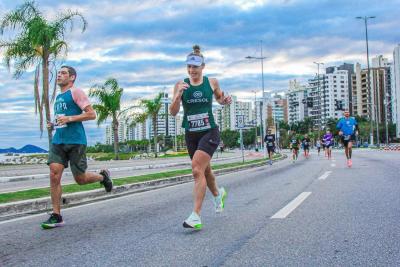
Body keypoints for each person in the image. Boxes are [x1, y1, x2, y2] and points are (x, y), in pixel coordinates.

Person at [41, 66, 113, 229]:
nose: (59, 75)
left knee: (80, 179)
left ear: (72, 77)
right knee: (54, 174)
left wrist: (70, 118)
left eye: (63, 73)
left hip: (76, 141)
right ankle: (56, 215)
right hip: (58, 140)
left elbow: (91, 114)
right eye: (58, 73)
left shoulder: (76, 92)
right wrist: (53, 124)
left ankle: (103, 177)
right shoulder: (59, 97)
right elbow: (63, 119)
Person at [169, 45, 232, 230]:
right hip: (191, 134)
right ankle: (218, 194)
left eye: (195, 67)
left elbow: (220, 98)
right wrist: (178, 96)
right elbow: (173, 112)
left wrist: (224, 101)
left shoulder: (211, 82)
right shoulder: (180, 84)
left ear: (202, 67)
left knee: (196, 169)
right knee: (205, 171)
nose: (191, 70)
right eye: (189, 67)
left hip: (209, 131)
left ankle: (196, 215)